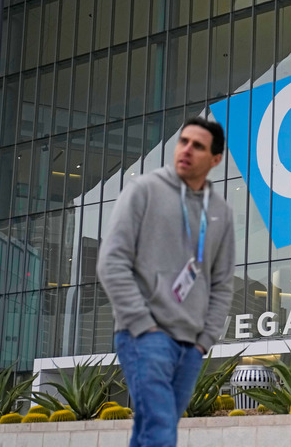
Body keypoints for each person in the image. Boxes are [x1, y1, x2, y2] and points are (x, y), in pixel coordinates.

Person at [98, 117, 235, 447]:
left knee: (151, 428)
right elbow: (111, 262)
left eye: (197, 146)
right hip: (146, 336)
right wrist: (143, 324)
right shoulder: (144, 191)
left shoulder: (220, 212)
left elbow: (222, 283)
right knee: (160, 428)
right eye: (183, 141)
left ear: (215, 160)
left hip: (190, 345)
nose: (186, 149)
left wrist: (204, 340)